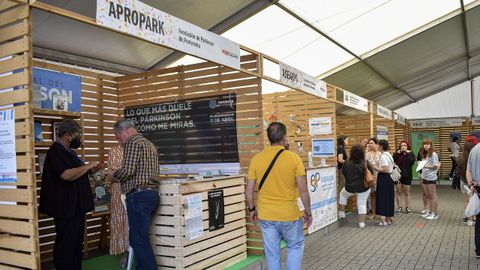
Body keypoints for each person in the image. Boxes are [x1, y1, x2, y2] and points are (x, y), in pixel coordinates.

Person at [246, 122, 312, 270]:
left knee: (272, 253)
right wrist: (308, 212)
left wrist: (251, 210)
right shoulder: (294, 158)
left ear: (269, 138)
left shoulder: (256, 159)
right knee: (295, 247)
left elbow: (249, 191)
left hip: (266, 215)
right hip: (289, 215)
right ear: (284, 137)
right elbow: (303, 190)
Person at [39, 119, 98, 270]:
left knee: (75, 242)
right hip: (66, 208)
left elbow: (76, 173)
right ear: (67, 135)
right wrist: (87, 167)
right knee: (66, 243)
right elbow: (65, 175)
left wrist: (91, 170)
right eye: (78, 135)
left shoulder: (69, 152)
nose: (80, 139)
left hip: (75, 207)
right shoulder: (56, 151)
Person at [108, 119, 160, 270]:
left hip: (138, 196)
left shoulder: (132, 142)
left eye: (118, 137)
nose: (119, 142)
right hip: (151, 195)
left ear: (127, 131)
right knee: (138, 237)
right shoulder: (149, 144)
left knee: (138, 238)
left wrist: (112, 174)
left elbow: (127, 171)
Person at [338, 144, 373, 228]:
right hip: (363, 187)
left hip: (350, 186)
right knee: (361, 203)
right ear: (362, 153)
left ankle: (342, 213)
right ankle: (361, 223)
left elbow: (344, 172)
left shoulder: (347, 162)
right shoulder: (365, 162)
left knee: (342, 195)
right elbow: (371, 172)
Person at [106, 144, 129, 267]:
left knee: (132, 222)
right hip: (118, 191)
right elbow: (111, 174)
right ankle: (125, 253)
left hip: (134, 190)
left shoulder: (138, 148)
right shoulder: (114, 151)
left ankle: (132, 253)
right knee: (121, 223)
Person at [373, 139, 395, 226]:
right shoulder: (388, 154)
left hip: (384, 178)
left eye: (378, 145)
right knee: (389, 197)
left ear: (381, 146)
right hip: (389, 178)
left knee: (383, 197)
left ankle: (383, 219)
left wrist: (376, 168)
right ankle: (388, 219)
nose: (377, 146)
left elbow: (385, 169)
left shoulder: (383, 156)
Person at [419, 138, 440, 220]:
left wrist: (424, 166)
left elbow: (436, 166)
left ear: (431, 145)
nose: (426, 146)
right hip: (424, 176)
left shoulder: (433, 154)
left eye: (427, 144)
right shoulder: (426, 154)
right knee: (428, 195)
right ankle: (430, 212)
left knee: (433, 195)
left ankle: (434, 213)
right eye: (424, 144)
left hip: (431, 177)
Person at [393, 140, 415, 214]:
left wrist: (408, 153)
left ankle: (407, 208)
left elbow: (412, 162)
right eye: (402, 146)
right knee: (398, 192)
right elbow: (393, 160)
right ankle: (399, 207)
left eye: (405, 145)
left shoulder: (411, 153)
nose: (403, 147)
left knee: (407, 192)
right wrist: (397, 153)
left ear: (407, 146)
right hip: (398, 176)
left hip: (407, 176)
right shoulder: (397, 154)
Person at [457, 141, 476, 225]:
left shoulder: (460, 158)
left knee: (466, 201)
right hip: (474, 182)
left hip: (463, 181)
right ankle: (475, 217)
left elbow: (458, 171)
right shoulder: (475, 157)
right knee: (475, 200)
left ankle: (469, 219)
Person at [467, 142, 480, 257]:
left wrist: (472, 185)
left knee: (479, 219)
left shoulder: (474, 150)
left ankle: (479, 249)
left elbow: (468, 170)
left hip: (477, 188)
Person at [366, 138, 381, 220]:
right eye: (369, 143)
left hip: (380, 176)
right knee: (372, 195)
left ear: (376, 144)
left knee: (381, 195)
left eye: (371, 143)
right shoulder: (368, 154)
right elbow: (365, 165)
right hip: (371, 177)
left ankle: (381, 213)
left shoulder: (381, 154)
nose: (370, 144)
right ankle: (373, 213)